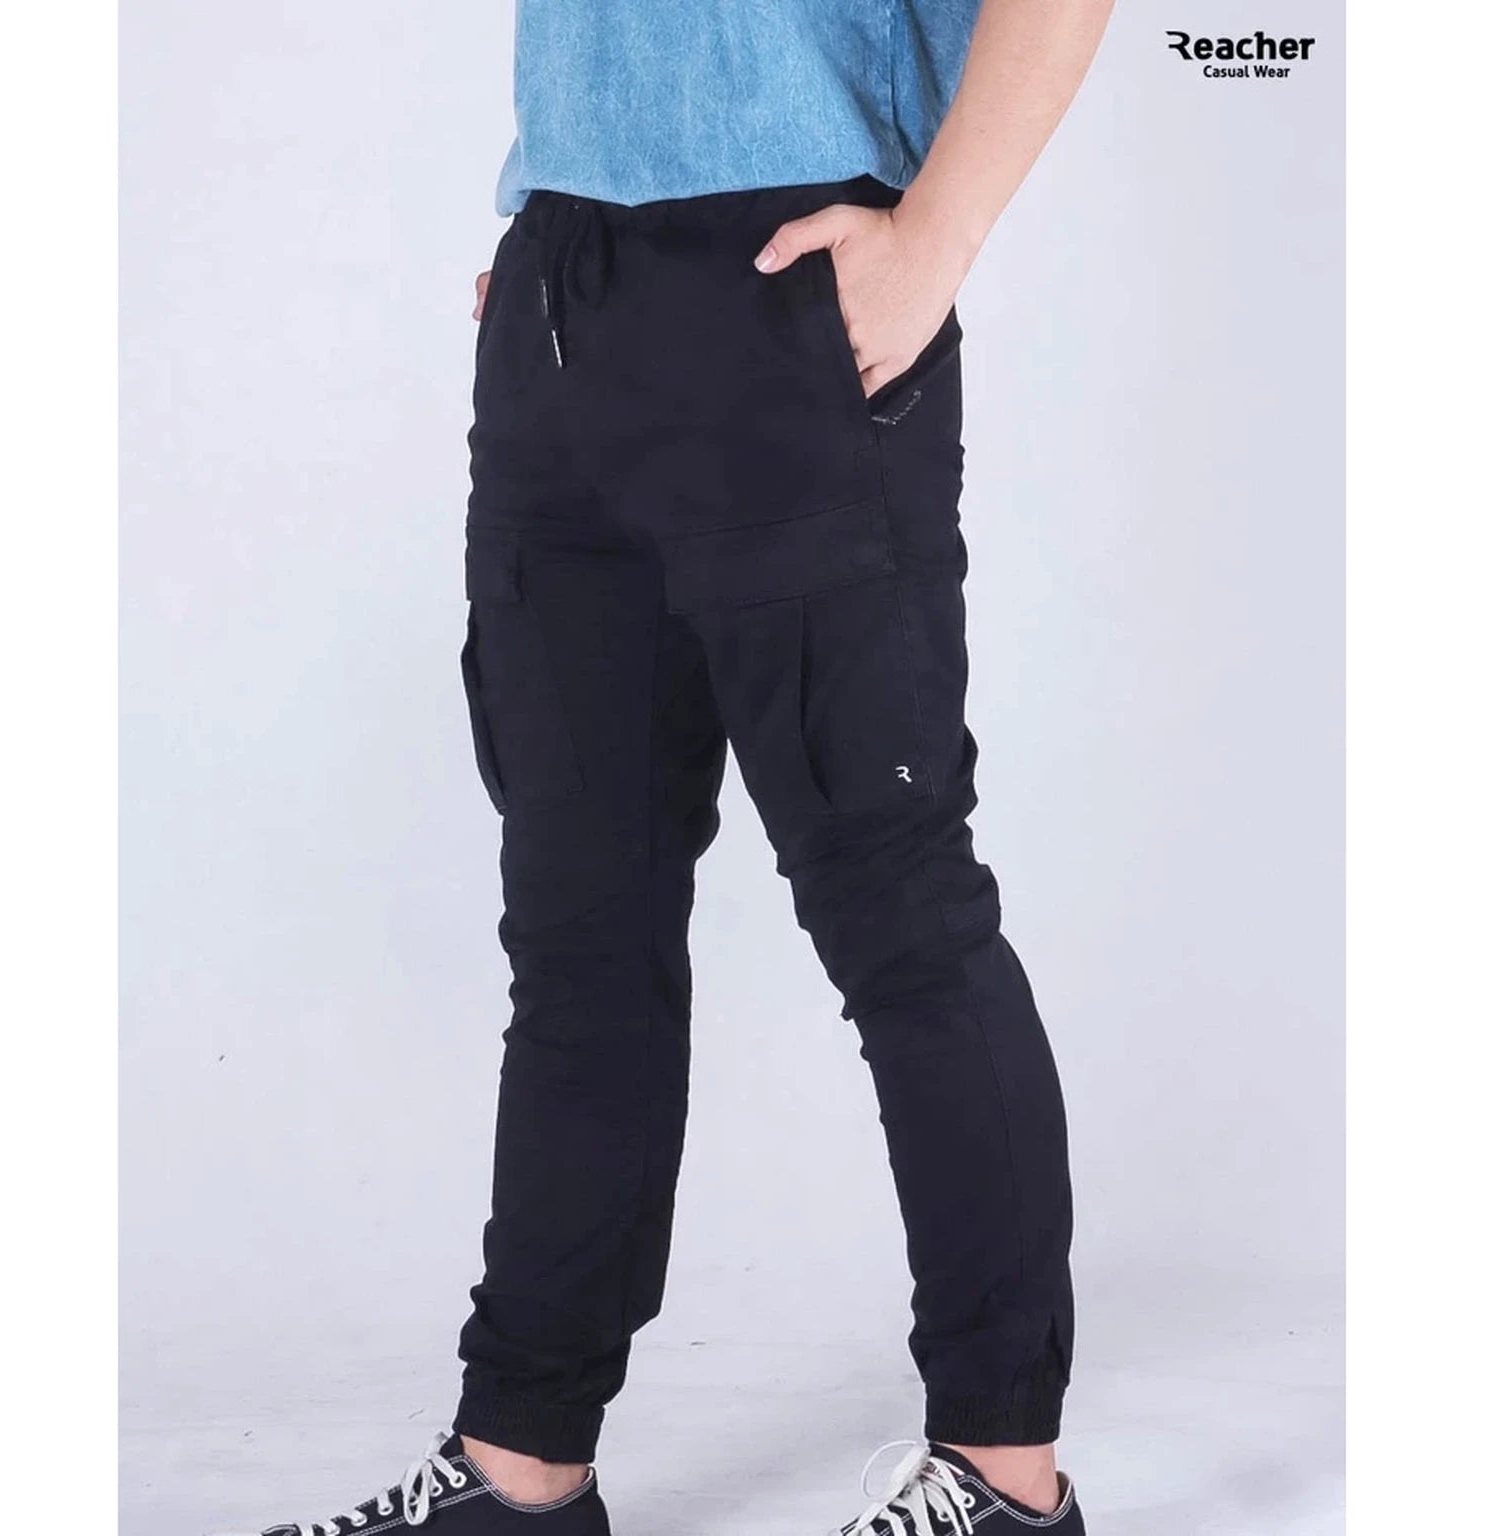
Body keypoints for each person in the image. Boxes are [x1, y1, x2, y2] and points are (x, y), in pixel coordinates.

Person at [225, 1, 1113, 1532]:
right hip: (562, 291)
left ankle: (1002, 1475)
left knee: (903, 917)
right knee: (581, 938)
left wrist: (936, 239)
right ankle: (521, 1468)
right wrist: (562, 262)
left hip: (789, 291)